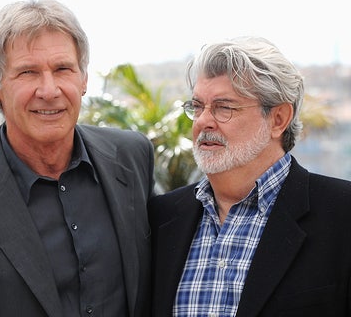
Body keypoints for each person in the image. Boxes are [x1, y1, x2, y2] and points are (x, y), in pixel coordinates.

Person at [0, 0, 155, 316]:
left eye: (62, 69)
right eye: (28, 72)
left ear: (84, 78)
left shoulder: (131, 157)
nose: (49, 90)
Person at [148, 36, 351, 317]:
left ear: (278, 119)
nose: (203, 121)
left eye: (224, 107)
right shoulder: (160, 217)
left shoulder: (342, 214)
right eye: (197, 106)